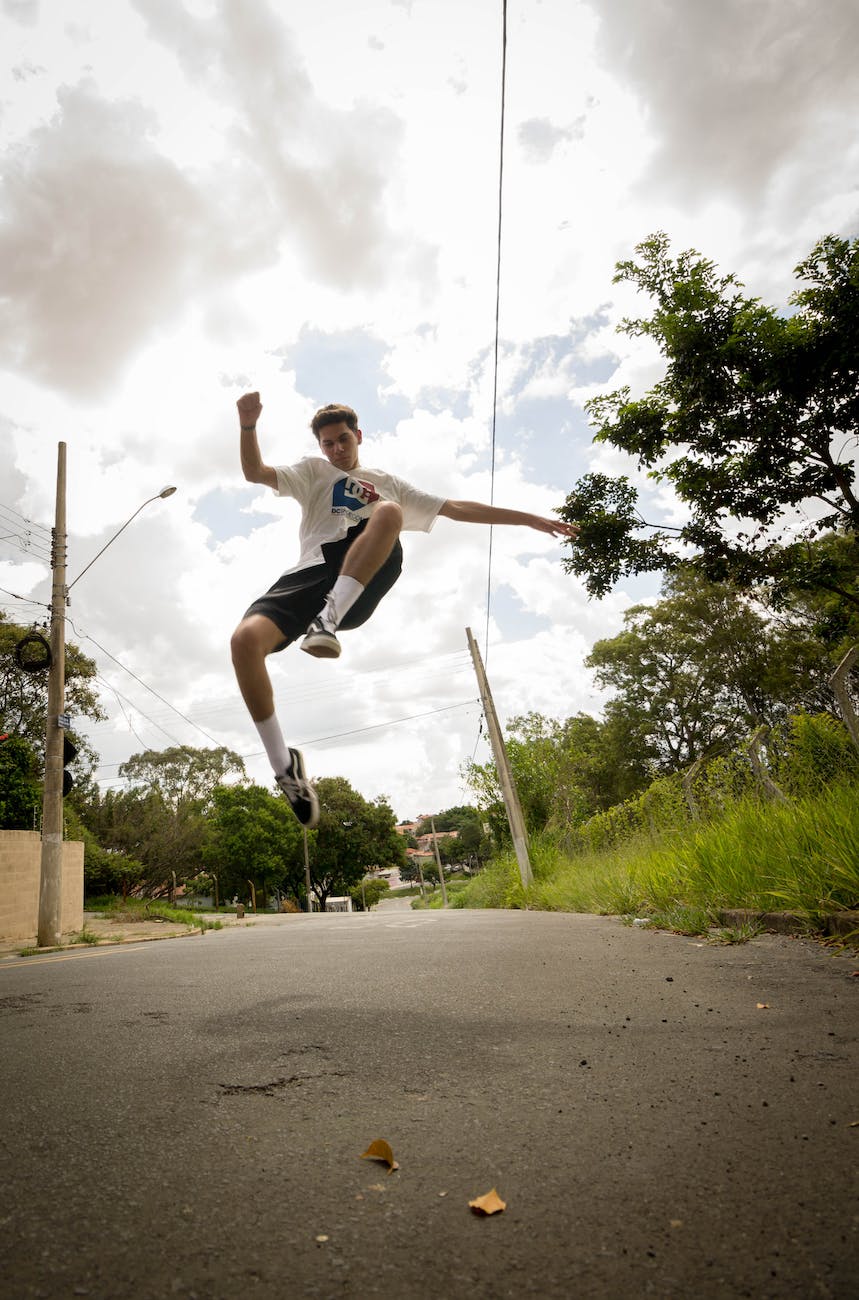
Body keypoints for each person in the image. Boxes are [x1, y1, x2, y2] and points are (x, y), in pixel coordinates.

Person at [230, 391, 578, 829]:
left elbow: (455, 508)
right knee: (244, 642)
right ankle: (286, 769)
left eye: (343, 441)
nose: (337, 450)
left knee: (390, 511)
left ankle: (330, 619)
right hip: (310, 572)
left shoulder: (388, 482)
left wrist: (529, 518)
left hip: (362, 574)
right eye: (328, 445)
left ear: (358, 436)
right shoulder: (310, 472)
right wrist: (248, 426)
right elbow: (254, 472)